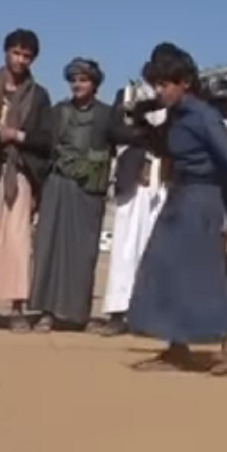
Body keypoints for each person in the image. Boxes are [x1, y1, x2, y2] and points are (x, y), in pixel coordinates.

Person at [127, 44, 227, 374]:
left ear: (184, 82)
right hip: (179, 198)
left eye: (164, 84)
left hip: (203, 201)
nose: (159, 91)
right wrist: (140, 120)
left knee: (203, 274)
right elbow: (169, 148)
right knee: (164, 268)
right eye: (155, 85)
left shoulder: (203, 116)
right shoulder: (177, 115)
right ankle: (177, 347)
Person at [29, 57, 132, 332]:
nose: (77, 85)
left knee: (83, 254)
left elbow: (122, 137)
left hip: (88, 191)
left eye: (83, 80)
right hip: (57, 185)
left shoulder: (107, 114)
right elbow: (42, 142)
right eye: (74, 80)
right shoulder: (58, 112)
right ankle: (46, 312)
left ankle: (77, 315)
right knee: (49, 248)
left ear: (95, 84)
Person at [0, 29, 52, 332]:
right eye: (16, 53)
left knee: (17, 240)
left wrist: (16, 135)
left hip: (20, 172)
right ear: (5, 52)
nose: (20, 60)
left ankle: (16, 306)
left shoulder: (38, 96)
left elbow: (46, 139)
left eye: (27, 55)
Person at [98, 74, 168, 337]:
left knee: (156, 248)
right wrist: (148, 134)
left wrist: (150, 134)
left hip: (163, 179)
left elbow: (171, 136)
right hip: (132, 178)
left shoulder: (174, 99)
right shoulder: (127, 95)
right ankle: (118, 311)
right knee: (124, 248)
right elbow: (114, 131)